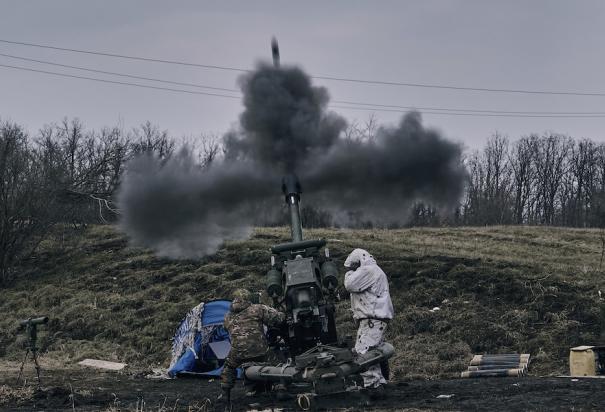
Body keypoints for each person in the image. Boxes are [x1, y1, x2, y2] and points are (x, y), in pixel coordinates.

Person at [220, 288, 285, 403]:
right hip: (259, 349)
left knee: (228, 367)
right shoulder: (257, 308)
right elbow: (277, 318)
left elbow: (225, 327)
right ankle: (281, 389)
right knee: (278, 362)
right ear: (248, 298)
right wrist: (283, 314)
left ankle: (225, 393)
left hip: (238, 352)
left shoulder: (227, 316)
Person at [343, 248, 394, 394]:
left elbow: (350, 285)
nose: (352, 269)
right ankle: (380, 382)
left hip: (373, 319)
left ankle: (373, 386)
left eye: (353, 266)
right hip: (375, 318)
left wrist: (349, 273)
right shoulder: (373, 270)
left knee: (363, 353)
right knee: (373, 353)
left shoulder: (368, 270)